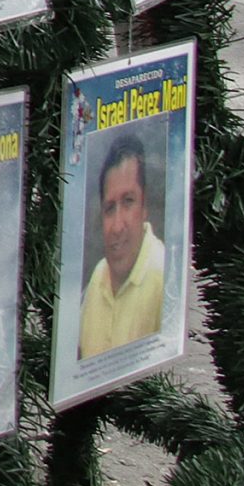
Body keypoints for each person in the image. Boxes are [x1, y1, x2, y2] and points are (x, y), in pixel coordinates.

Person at [77, 132, 167, 357]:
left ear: (144, 206)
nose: (117, 226)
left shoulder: (164, 276)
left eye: (128, 202)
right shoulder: (98, 276)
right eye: (109, 208)